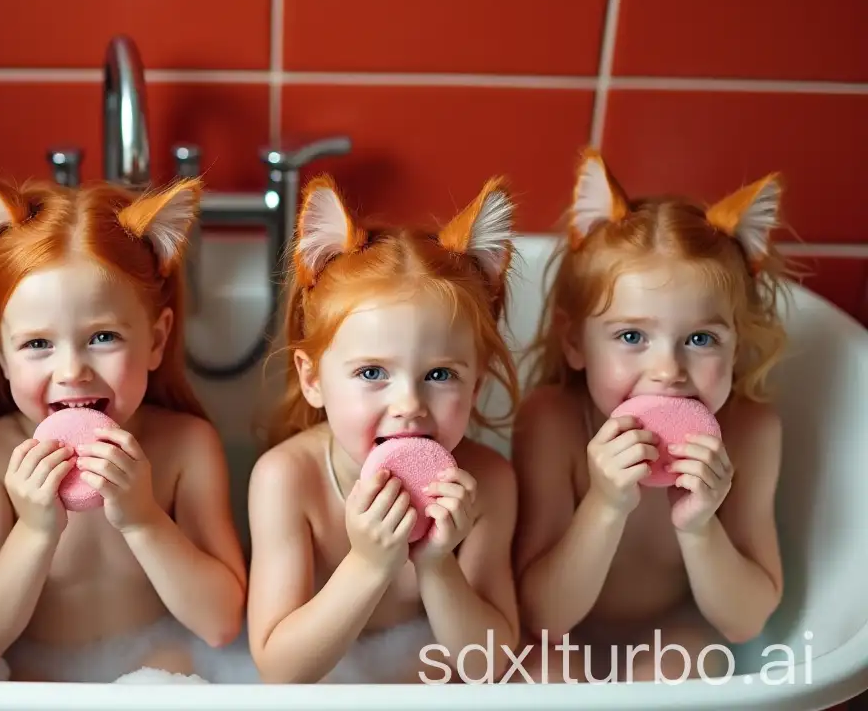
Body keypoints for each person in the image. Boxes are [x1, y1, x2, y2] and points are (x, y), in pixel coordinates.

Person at [0, 167, 246, 681]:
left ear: (156, 339)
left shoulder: (184, 447)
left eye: (103, 337)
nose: (71, 372)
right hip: (36, 685)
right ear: (0, 352)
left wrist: (143, 518)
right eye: (37, 344)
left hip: (159, 681)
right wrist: (36, 530)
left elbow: (221, 624)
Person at [511, 148, 788, 682]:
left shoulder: (751, 432)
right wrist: (605, 505)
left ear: (737, 346)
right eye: (632, 336)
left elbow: (745, 624)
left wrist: (699, 526)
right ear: (575, 343)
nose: (668, 370)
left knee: (683, 663)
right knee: (542, 671)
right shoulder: (553, 421)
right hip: (561, 635)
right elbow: (542, 618)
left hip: (674, 629)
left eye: (701, 339)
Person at [246, 175, 523, 684]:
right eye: (372, 373)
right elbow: (279, 669)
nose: (410, 405)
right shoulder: (288, 478)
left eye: (440, 375)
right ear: (313, 380)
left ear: (478, 382)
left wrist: (439, 565)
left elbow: (491, 668)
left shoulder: (489, 485)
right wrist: (369, 564)